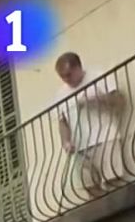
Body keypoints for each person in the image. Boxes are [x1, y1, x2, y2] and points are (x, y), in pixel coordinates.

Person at [55, 51, 128, 197]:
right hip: (80, 148)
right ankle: (107, 216)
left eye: (68, 74)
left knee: (113, 180)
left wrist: (97, 99)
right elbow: (62, 121)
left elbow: (121, 101)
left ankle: (122, 209)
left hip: (105, 138)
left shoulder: (99, 76)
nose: (66, 79)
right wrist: (66, 141)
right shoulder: (61, 93)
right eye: (62, 76)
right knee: (90, 187)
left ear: (78, 68)